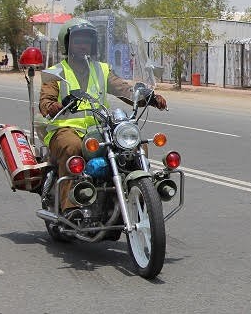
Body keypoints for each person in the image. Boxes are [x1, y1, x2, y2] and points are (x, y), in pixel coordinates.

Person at [38, 19, 167, 213]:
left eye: (87, 41)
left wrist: (148, 97)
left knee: (134, 143)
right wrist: (53, 106)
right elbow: (45, 101)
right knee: (72, 147)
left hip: (99, 128)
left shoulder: (101, 69)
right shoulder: (56, 72)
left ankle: (139, 194)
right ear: (68, 44)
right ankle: (71, 207)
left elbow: (124, 89)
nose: (83, 45)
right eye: (78, 41)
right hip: (66, 129)